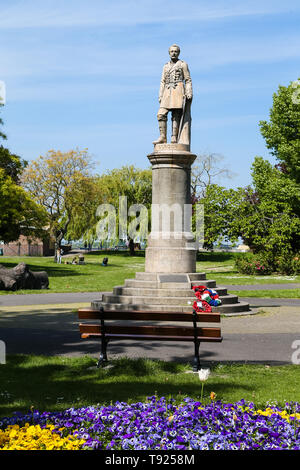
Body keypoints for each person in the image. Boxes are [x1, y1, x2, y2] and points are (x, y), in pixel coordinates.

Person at [153, 44, 193, 145]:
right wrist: (160, 95)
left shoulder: (183, 64)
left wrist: (189, 92)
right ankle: (162, 137)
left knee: (176, 115)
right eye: (172, 51)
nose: (174, 53)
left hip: (178, 89)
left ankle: (174, 136)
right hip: (167, 91)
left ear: (178, 53)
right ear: (169, 53)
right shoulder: (165, 66)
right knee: (161, 113)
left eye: (176, 51)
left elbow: (188, 79)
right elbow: (162, 81)